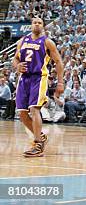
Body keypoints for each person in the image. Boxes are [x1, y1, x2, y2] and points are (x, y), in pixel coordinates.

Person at [12, 16, 64, 157]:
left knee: (34, 109)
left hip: (39, 78)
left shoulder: (47, 42)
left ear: (43, 26)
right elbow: (15, 59)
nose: (37, 24)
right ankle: (40, 136)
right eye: (34, 22)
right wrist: (17, 66)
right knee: (22, 113)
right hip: (24, 79)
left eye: (39, 23)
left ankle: (37, 144)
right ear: (31, 25)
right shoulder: (22, 41)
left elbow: (58, 62)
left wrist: (60, 82)